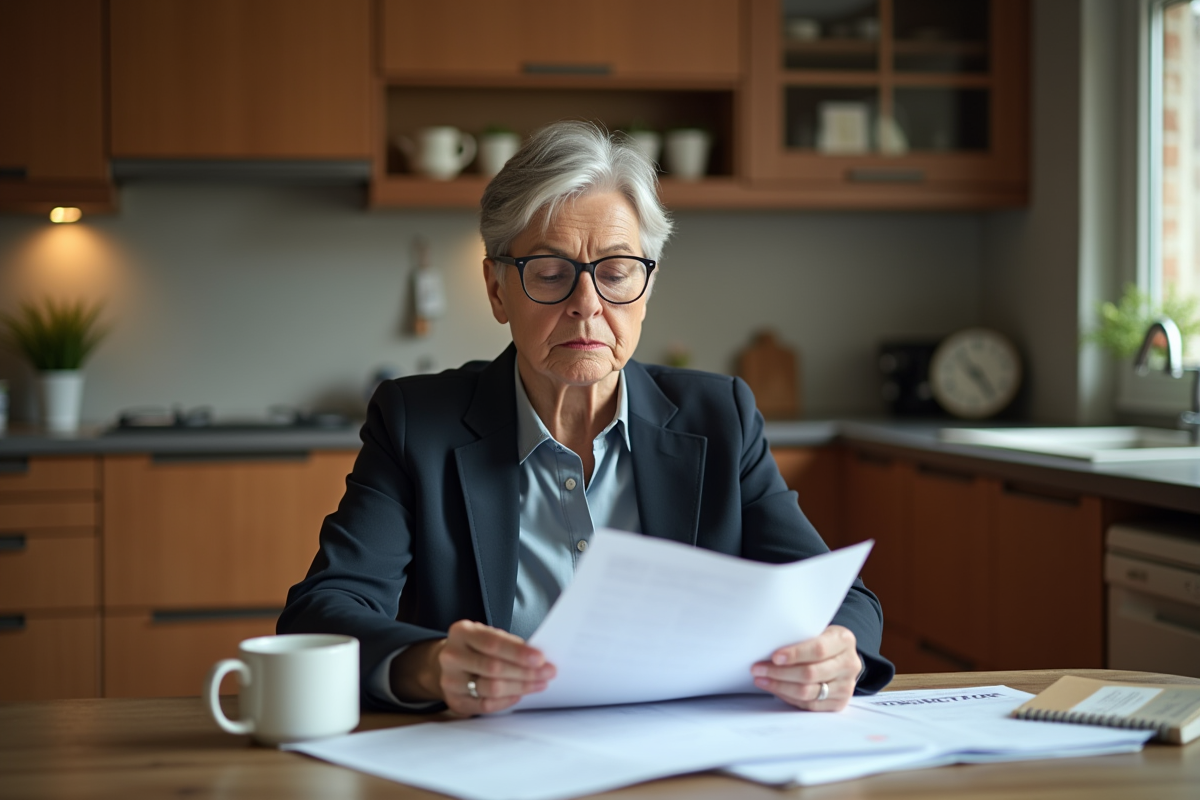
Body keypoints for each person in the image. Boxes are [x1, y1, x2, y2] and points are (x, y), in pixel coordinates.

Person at [278, 121, 893, 715]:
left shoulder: (720, 418)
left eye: (617, 272)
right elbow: (324, 608)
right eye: (550, 274)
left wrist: (840, 654)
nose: (587, 305)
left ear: (645, 288)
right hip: (491, 758)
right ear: (497, 290)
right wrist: (430, 664)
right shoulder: (417, 423)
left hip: (681, 759)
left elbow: (840, 599)